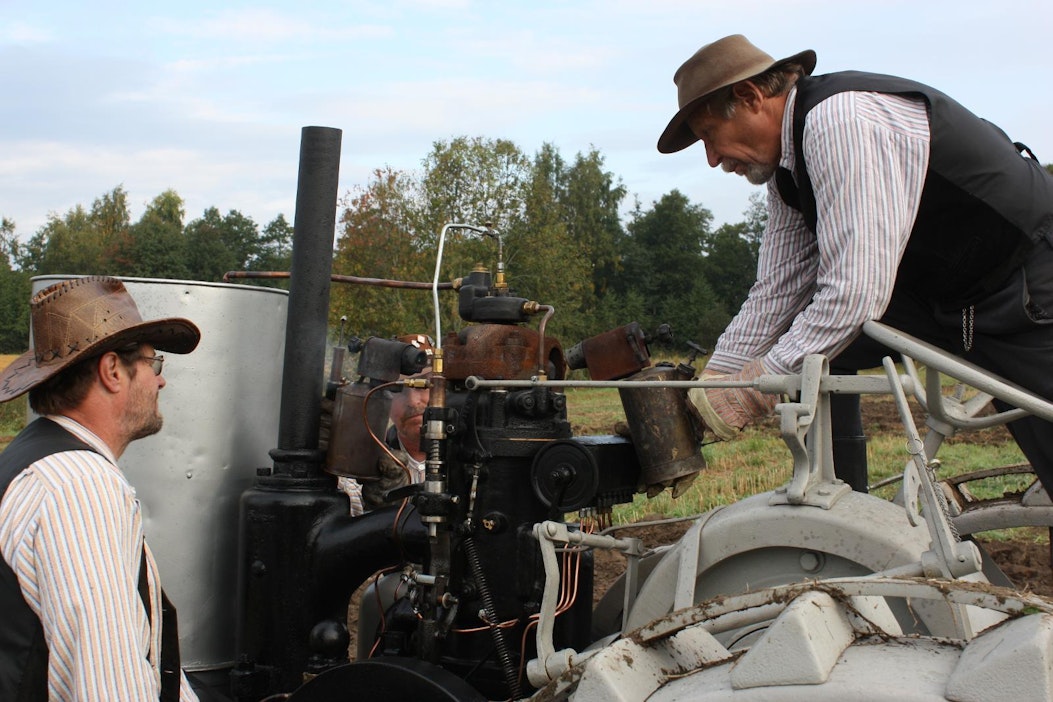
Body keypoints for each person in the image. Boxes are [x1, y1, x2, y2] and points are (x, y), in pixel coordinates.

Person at [657, 34, 1053, 493]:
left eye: (709, 136)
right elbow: (778, 291)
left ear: (750, 97)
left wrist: (749, 393)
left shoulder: (840, 121)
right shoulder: (787, 171)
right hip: (946, 299)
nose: (711, 159)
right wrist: (714, 387)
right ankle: (844, 502)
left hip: (1024, 291)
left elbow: (855, 294)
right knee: (817, 346)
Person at [0, 276, 201, 701]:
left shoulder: (35, 459)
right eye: (153, 364)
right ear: (112, 371)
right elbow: (108, 683)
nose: (160, 381)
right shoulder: (78, 486)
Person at [337, 334, 432, 515]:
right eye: (397, 389)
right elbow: (347, 512)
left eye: (423, 385)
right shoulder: (365, 465)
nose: (412, 401)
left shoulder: (471, 463)